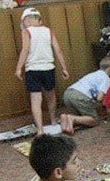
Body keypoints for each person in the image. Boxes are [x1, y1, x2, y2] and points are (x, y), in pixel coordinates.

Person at [15, 7, 69, 135]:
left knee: (36, 99)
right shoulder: (48, 31)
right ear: (39, 20)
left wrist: (18, 68)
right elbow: (58, 50)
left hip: (33, 69)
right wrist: (64, 68)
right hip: (48, 68)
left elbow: (25, 50)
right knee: (51, 95)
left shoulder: (27, 32)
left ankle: (40, 130)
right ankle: (53, 121)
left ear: (26, 20)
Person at [60, 56, 110, 134]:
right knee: (94, 120)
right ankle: (72, 118)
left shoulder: (95, 73)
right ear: (109, 69)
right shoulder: (106, 78)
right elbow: (100, 98)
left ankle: (65, 119)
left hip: (68, 94)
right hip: (80, 96)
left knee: (83, 118)